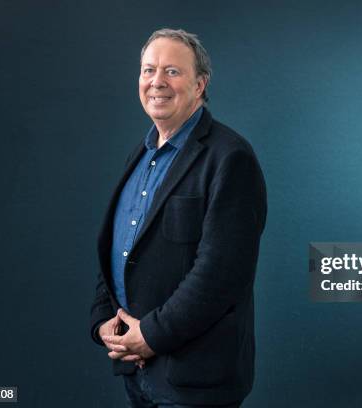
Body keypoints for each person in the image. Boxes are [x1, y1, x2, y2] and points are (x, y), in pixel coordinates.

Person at [89, 28, 267, 407]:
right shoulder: (141, 153)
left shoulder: (230, 157)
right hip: (136, 369)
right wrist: (104, 318)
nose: (156, 81)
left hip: (195, 379)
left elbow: (221, 274)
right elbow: (123, 247)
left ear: (200, 84)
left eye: (172, 71)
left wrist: (151, 335)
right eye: (148, 70)